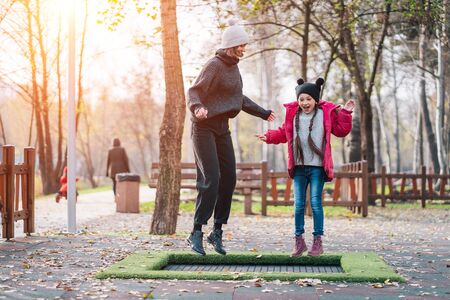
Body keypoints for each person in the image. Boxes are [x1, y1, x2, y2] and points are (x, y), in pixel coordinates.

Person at [186, 19, 275, 256]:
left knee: (229, 179)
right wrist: (197, 108)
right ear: (231, 45)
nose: (243, 49)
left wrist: (263, 113)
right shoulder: (213, 65)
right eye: (240, 45)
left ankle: (217, 231)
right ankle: (196, 231)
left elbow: (238, 99)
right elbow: (194, 91)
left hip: (222, 128)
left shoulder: (234, 67)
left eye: (244, 45)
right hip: (203, 127)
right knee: (211, 179)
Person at [256, 77, 354, 257]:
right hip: (299, 167)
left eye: (308, 99)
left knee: (316, 203)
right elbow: (284, 132)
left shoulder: (326, 113)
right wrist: (269, 136)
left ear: (316, 99)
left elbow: (341, 131)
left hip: (317, 167)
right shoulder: (293, 115)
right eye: (301, 99)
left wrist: (346, 113)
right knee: (299, 205)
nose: (305, 102)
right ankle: (299, 241)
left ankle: (318, 241)